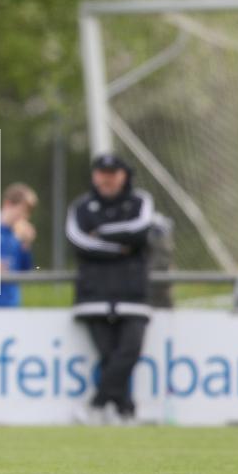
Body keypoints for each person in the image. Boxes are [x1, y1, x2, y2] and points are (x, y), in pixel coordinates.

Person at [66, 153, 154, 424]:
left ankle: (96, 405)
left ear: (124, 176)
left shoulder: (140, 201)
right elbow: (78, 241)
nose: (107, 179)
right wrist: (121, 247)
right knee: (108, 356)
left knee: (128, 352)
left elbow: (140, 231)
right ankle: (125, 411)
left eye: (113, 173)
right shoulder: (81, 207)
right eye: (102, 173)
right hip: (94, 295)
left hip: (132, 295)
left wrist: (101, 234)